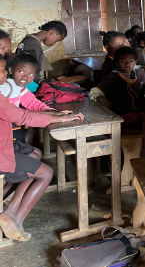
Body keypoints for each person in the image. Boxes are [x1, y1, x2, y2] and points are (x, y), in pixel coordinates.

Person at [0, 55, 83, 242]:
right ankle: (16, 218)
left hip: (6, 142)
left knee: (35, 154)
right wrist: (60, 119)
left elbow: (31, 106)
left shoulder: (13, 89)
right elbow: (24, 117)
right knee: (46, 173)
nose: (5, 73)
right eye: (3, 69)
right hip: (2, 150)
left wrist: (54, 114)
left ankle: (11, 210)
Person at [89, 47, 145, 129]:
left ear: (135, 62)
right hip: (121, 114)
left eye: (131, 61)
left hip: (139, 111)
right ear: (117, 63)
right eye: (123, 61)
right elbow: (94, 91)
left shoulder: (141, 75)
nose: (127, 64)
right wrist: (101, 99)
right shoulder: (112, 77)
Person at [2, 54, 55, 145]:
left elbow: (32, 102)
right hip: (5, 133)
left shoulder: (19, 87)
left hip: (14, 128)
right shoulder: (5, 87)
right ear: (10, 70)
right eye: (21, 72)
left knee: (36, 152)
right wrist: (54, 115)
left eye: (30, 74)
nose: (25, 77)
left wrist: (48, 110)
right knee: (35, 154)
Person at [15, 21, 67, 91]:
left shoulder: (29, 40)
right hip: (27, 86)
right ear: (52, 32)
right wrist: (37, 88)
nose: (54, 43)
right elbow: (25, 72)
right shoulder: (34, 46)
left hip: (24, 84)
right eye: (56, 40)